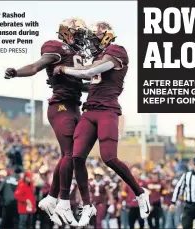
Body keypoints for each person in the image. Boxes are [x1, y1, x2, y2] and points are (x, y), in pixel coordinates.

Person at [53, 21, 150, 227]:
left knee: (109, 158)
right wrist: (64, 81)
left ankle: (140, 193)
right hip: (90, 111)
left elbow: (88, 72)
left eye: (94, 37)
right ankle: (87, 205)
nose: (91, 42)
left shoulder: (117, 51)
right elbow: (91, 82)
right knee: (76, 157)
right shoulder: (98, 57)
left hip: (108, 111)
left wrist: (64, 69)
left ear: (106, 37)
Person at [4, 17, 88, 227]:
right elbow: (34, 67)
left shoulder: (77, 55)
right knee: (69, 154)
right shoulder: (56, 49)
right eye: (77, 33)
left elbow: (81, 85)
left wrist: (103, 85)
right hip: (60, 106)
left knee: (72, 156)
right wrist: (16, 72)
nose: (80, 38)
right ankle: (61, 202)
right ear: (67, 33)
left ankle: (51, 198)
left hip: (74, 106)